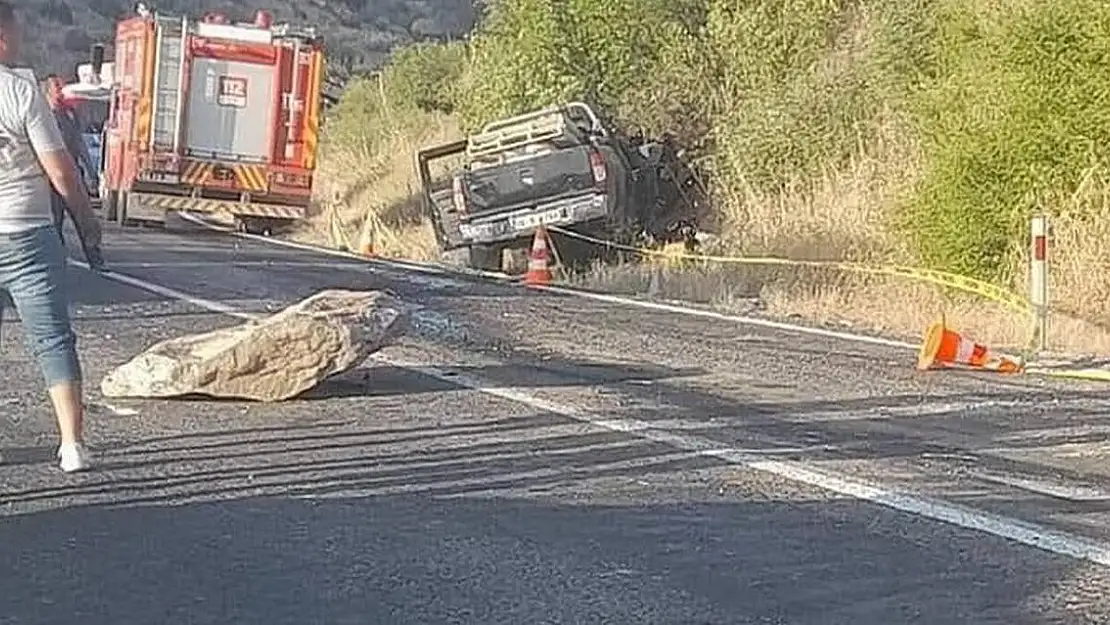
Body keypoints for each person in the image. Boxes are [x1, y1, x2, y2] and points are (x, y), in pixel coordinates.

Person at [0, 1, 101, 472]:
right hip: (27, 234)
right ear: (3, 36)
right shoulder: (20, 91)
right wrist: (87, 225)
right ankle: (72, 445)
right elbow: (61, 171)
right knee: (53, 340)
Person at [41, 73, 104, 269]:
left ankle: (95, 257)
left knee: (83, 217)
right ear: (47, 92)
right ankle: (57, 260)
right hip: (51, 179)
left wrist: (92, 171)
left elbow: (79, 143)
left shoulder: (69, 115)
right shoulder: (42, 117)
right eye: (57, 88)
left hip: (73, 175)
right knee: (55, 221)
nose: (61, 91)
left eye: (61, 86)